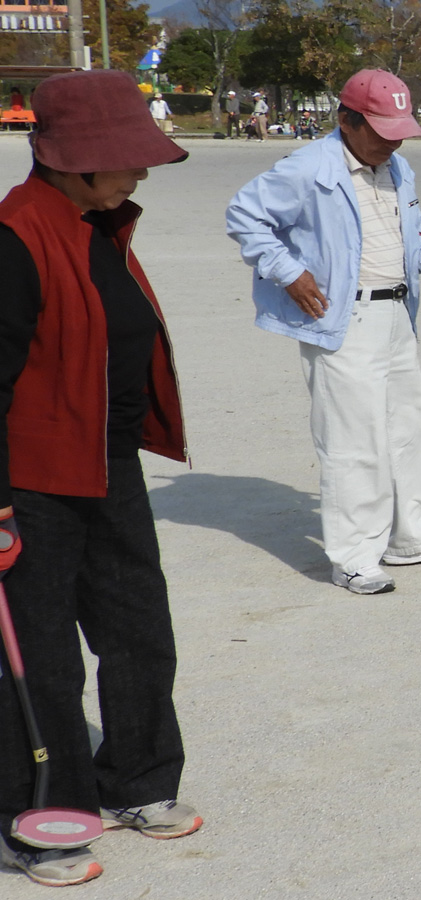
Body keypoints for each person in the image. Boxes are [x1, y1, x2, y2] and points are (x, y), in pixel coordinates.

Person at [0, 70, 200, 889]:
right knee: (41, 658)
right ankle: (38, 818)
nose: (142, 171)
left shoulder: (100, 223)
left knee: (139, 633)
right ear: (71, 162)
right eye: (125, 158)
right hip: (33, 480)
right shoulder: (15, 237)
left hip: (107, 462)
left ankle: (137, 781)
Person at [224, 69, 421, 596]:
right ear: (346, 120)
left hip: (398, 314)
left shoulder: (398, 166)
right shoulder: (309, 166)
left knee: (410, 429)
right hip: (342, 318)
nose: (393, 140)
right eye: (381, 130)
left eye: (400, 129)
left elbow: (408, 228)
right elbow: (244, 214)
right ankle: (355, 557)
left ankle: (413, 538)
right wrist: (288, 272)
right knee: (353, 441)